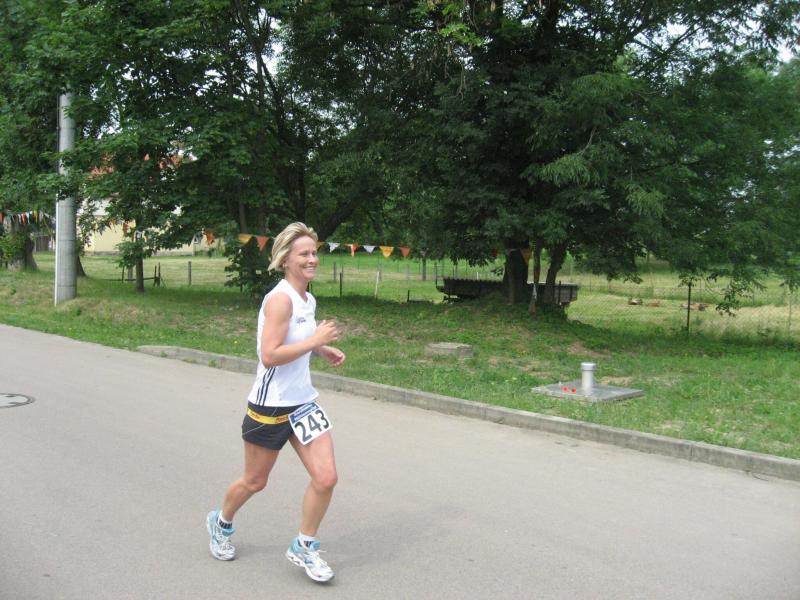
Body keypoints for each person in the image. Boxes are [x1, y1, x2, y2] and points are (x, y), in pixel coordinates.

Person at [206, 222, 346, 583]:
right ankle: (220, 523)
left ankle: (305, 545)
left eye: (314, 252)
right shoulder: (280, 299)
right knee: (255, 481)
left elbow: (295, 342)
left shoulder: (307, 299)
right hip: (269, 407)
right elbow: (269, 355)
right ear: (285, 260)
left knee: (326, 477)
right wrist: (315, 340)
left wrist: (320, 349)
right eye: (304, 254)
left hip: (303, 404)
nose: (312, 259)